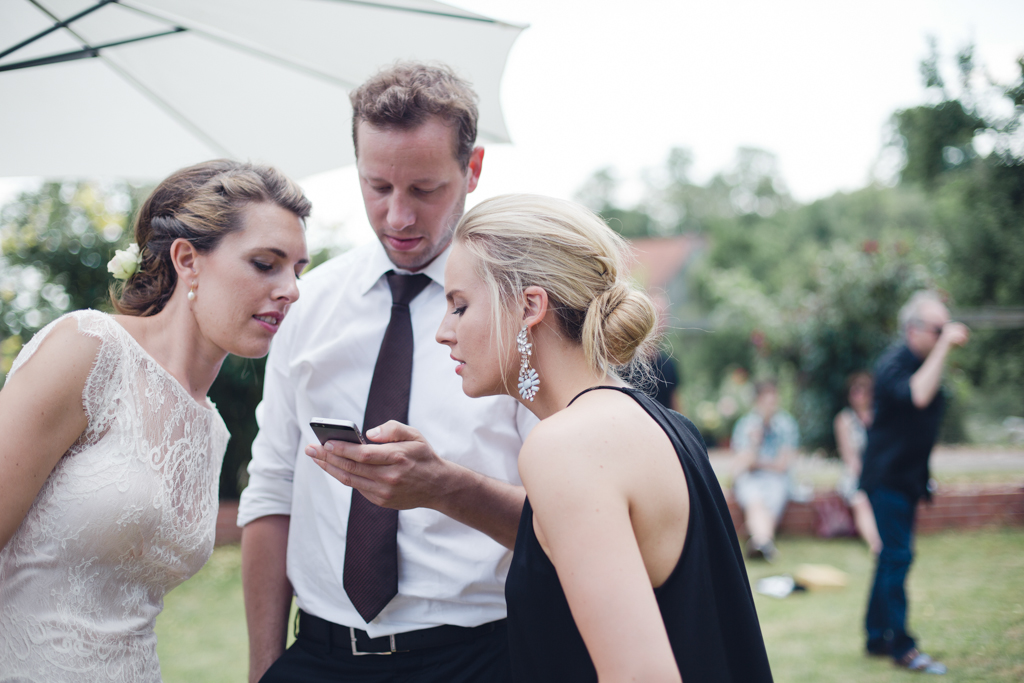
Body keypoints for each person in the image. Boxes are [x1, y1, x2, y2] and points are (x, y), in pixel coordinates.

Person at [332, 194, 775, 682]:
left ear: (529, 307)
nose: (443, 332)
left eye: (459, 306)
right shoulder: (665, 427)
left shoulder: (566, 447)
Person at [239, 63, 533, 683]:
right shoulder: (304, 304)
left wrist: (446, 487)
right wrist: (266, 668)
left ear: (472, 170)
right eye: (377, 187)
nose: (398, 217)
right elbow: (272, 489)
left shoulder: (520, 317)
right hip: (317, 656)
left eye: (425, 190)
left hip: (479, 660)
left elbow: (568, 519)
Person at [0, 159, 311, 682]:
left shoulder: (211, 428)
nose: (292, 290)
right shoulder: (89, 351)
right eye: (265, 264)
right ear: (188, 258)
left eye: (298, 270)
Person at [860, 291, 968, 675]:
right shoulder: (893, 365)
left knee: (890, 556)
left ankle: (876, 636)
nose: (944, 336)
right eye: (937, 329)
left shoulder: (924, 362)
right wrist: (944, 347)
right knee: (898, 557)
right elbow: (919, 396)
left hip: (906, 480)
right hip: (885, 479)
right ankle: (901, 646)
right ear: (913, 330)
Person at [730, 380, 799, 561]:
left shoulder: (786, 424)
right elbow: (743, 463)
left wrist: (758, 463)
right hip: (751, 478)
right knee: (755, 500)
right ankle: (765, 543)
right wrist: (754, 443)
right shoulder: (746, 425)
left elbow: (782, 465)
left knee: (771, 498)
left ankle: (759, 542)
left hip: (777, 478)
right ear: (757, 400)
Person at [833, 372, 882, 554]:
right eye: (855, 392)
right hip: (855, 474)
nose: (859, 396)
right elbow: (849, 457)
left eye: (863, 391)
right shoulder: (844, 420)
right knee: (861, 499)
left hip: (879, 472)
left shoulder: (879, 417)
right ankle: (875, 544)